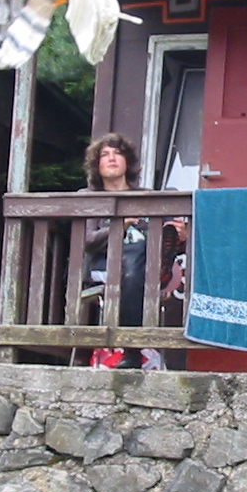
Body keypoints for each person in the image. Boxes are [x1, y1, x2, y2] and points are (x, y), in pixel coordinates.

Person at [80, 133, 186, 366]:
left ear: (127, 162)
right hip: (107, 264)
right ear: (97, 164)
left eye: (118, 153)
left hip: (145, 262)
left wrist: (182, 237)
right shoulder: (89, 197)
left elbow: (174, 240)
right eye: (105, 155)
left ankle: (133, 350)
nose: (112, 158)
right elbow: (88, 241)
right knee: (135, 259)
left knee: (150, 246)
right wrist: (121, 225)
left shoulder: (146, 198)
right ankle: (159, 271)